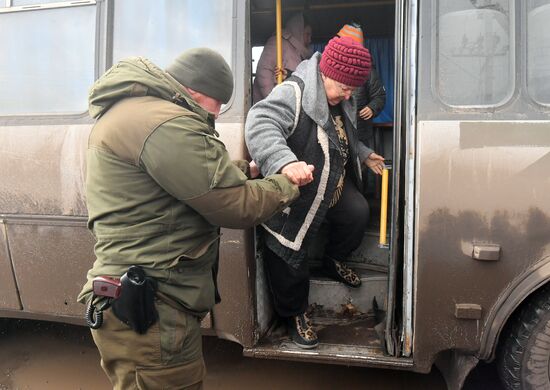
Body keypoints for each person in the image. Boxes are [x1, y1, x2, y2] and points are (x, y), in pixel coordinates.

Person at [77, 48, 301, 389]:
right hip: (155, 310)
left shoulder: (137, 113)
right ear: (199, 92)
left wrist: (246, 170)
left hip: (142, 296)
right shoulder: (166, 122)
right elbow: (235, 205)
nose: (215, 115)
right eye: (217, 106)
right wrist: (287, 183)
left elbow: (183, 181)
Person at [245, 36, 385, 349]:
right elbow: (260, 123)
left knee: (357, 212)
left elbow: (342, 135)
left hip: (330, 183)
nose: (349, 96)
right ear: (324, 73)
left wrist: (362, 153)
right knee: (291, 252)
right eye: (345, 88)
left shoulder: (341, 97)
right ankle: (294, 313)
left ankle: (332, 260)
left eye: (352, 90)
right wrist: (285, 162)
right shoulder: (293, 92)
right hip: (298, 194)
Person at [337, 23, 386, 150]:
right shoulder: (331, 67)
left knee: (363, 165)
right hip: (338, 131)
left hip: (361, 133)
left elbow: (379, 96)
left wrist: (372, 108)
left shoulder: (368, 70)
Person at [253, 12, 313, 103]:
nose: (310, 39)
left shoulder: (301, 52)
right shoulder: (277, 42)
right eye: (307, 34)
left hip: (290, 104)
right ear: (298, 31)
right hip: (272, 107)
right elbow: (264, 70)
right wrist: (272, 101)